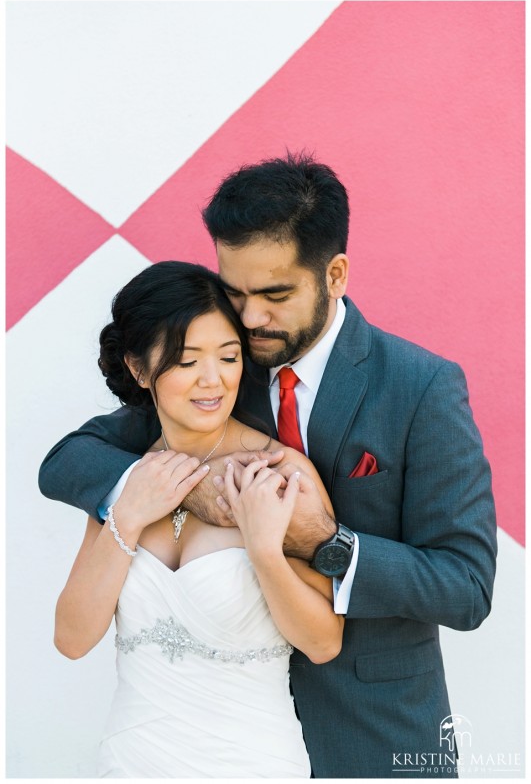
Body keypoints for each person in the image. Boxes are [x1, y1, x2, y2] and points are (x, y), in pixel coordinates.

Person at [40, 153, 497, 778]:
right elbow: (70, 458)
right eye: (236, 292)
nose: (251, 318)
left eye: (275, 294)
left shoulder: (421, 388)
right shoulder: (220, 369)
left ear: (334, 274)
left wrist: (322, 541)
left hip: (374, 729)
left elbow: (465, 587)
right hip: (189, 735)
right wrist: (189, 490)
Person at [53, 260, 344, 778]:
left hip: (252, 761)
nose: (213, 380)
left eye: (229, 357)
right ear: (140, 370)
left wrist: (264, 552)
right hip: (132, 760)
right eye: (187, 362)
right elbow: (72, 639)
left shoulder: (277, 471)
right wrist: (128, 515)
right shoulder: (130, 479)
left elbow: (323, 643)